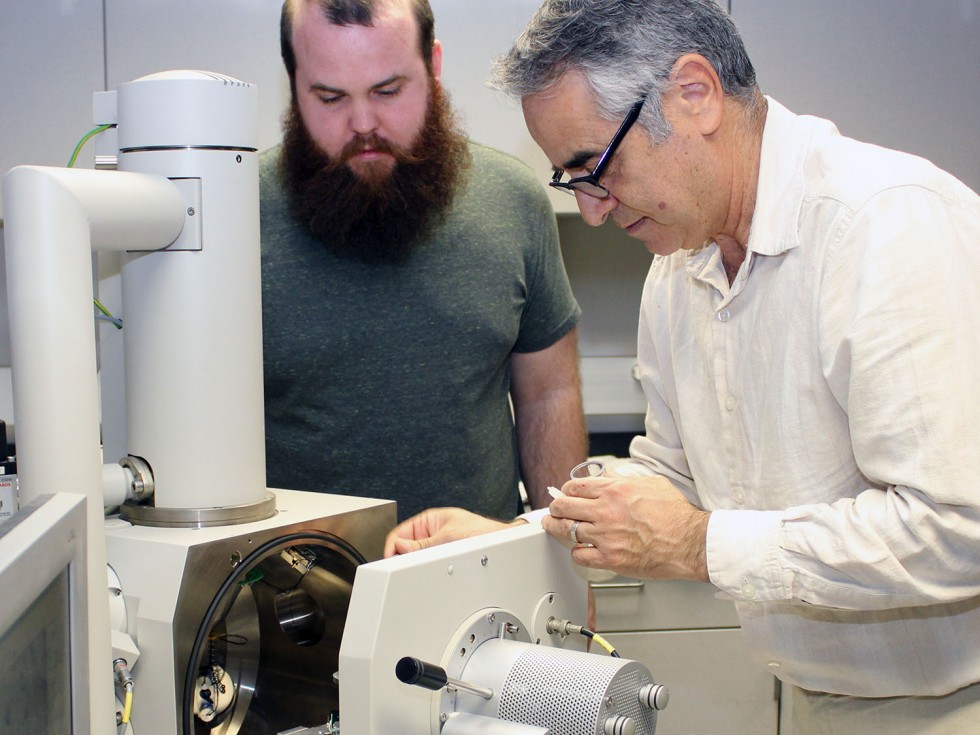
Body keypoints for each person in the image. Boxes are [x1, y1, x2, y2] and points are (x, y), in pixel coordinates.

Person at [385, 0, 980, 730]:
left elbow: (957, 528)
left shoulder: (885, 225)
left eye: (595, 167)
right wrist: (515, 534)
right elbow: (672, 475)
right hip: (813, 699)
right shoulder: (679, 269)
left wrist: (700, 543)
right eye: (574, 182)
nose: (595, 211)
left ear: (693, 95)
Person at [261, 0, 588, 522]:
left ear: (433, 66)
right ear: (293, 81)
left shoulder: (512, 199)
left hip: (481, 586)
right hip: (292, 594)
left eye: (388, 91)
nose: (363, 123)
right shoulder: (231, 221)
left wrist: (571, 558)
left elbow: (549, 394)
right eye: (329, 97)